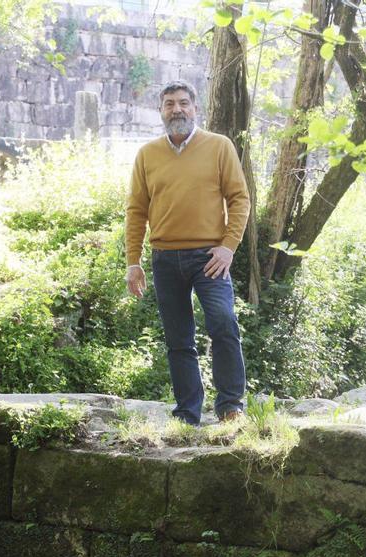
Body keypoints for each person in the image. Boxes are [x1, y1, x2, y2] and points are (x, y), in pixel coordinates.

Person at [124, 80, 250, 425]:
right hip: (164, 258)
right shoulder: (147, 154)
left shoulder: (219, 147)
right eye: (169, 104)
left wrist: (228, 248)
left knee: (223, 323)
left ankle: (230, 406)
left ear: (195, 108)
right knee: (178, 339)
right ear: (161, 111)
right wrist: (133, 262)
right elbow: (136, 210)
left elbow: (240, 199)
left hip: (209, 257)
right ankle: (187, 413)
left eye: (183, 103)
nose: (176, 109)